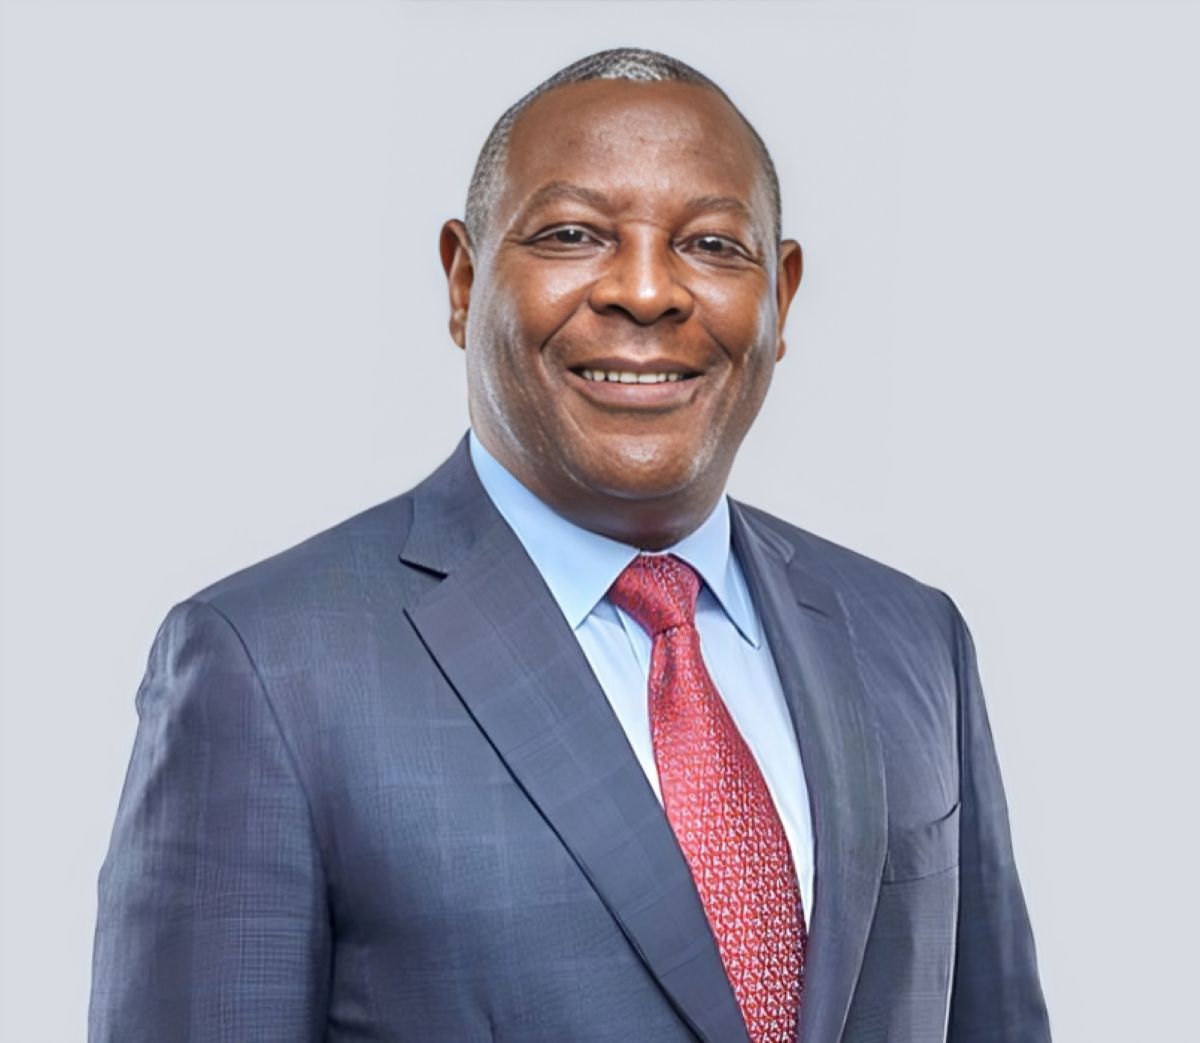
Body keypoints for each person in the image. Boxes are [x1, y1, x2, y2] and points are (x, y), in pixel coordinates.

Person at [88, 47, 1051, 1043]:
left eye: (713, 245)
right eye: (574, 234)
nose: (647, 290)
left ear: (782, 296)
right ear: (463, 280)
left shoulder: (912, 640)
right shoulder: (267, 667)